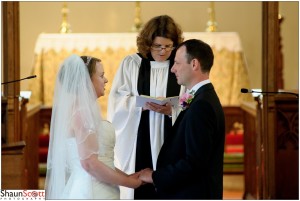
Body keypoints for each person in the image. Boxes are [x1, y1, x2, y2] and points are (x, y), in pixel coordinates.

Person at [107, 15, 185, 199]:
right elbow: (117, 98)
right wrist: (138, 104)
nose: (163, 51)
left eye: (168, 46)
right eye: (157, 46)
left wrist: (173, 109)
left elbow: (191, 97)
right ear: (148, 42)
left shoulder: (181, 63)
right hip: (140, 129)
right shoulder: (132, 63)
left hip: (172, 128)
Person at [45, 55, 142, 199]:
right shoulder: (81, 113)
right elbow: (90, 164)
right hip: (92, 191)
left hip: (97, 185)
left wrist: (132, 176)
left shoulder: (81, 110)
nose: (106, 80)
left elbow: (101, 160)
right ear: (86, 81)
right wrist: (129, 183)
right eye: (101, 75)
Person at [139, 39, 226, 199]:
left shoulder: (202, 105)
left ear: (194, 64)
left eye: (177, 63)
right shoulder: (202, 97)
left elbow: (193, 163)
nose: (172, 69)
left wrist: (154, 177)